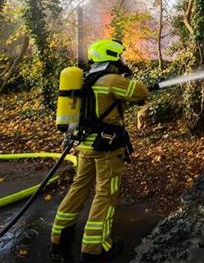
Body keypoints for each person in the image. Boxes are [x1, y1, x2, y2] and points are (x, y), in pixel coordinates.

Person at [50, 39, 149, 263]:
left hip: (84, 146)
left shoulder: (85, 80)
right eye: (120, 56)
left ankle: (59, 239)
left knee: (78, 189)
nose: (123, 60)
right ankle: (95, 249)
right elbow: (141, 91)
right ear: (112, 56)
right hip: (107, 148)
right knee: (105, 194)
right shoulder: (113, 80)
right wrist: (128, 79)